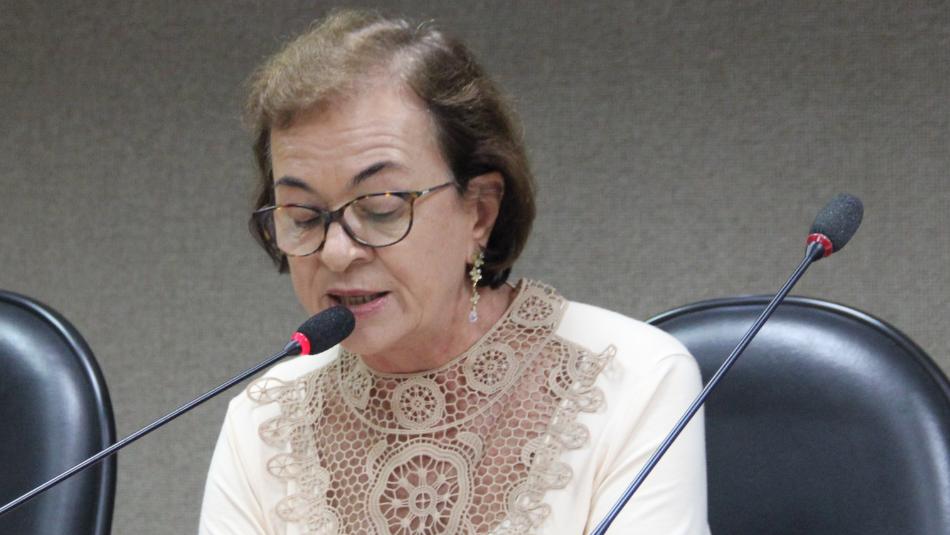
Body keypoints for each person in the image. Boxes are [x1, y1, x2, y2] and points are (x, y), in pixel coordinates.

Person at [199, 9, 709, 535]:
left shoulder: (633, 381)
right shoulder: (265, 422)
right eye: (304, 216)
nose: (337, 252)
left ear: (479, 213)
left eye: (380, 207)